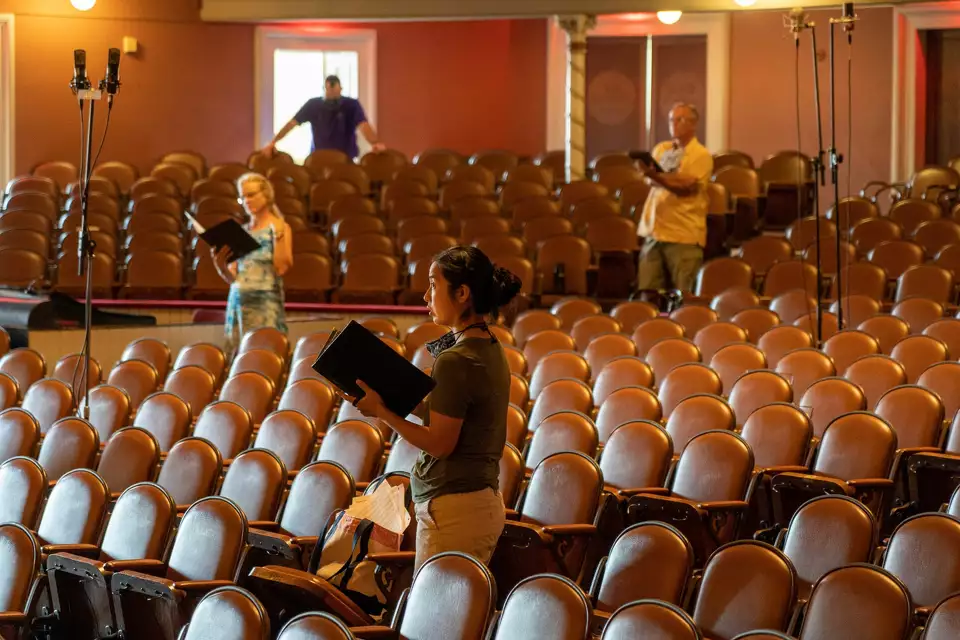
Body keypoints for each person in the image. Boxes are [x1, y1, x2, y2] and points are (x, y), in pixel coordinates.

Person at [344, 246, 522, 571]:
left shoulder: (456, 360)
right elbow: (448, 413)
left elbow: (441, 443)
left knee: (435, 618)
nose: (426, 296)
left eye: (433, 284)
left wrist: (382, 413)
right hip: (469, 504)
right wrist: (386, 396)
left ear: (463, 293)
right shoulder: (487, 345)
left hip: (457, 511)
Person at [635, 102, 714, 293]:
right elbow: (655, 182)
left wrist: (656, 176)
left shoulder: (701, 155)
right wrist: (664, 178)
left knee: (684, 295)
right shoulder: (661, 149)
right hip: (654, 231)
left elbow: (686, 187)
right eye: (671, 119)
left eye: (680, 119)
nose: (674, 124)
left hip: (683, 233)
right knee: (648, 292)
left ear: (694, 124)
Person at [212, 172, 293, 352]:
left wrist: (278, 237)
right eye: (242, 197)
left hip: (265, 304)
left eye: (251, 195)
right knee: (237, 357)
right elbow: (233, 278)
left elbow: (281, 268)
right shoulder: (239, 232)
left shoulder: (280, 227)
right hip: (238, 303)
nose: (246, 201)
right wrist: (221, 266)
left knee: (265, 354)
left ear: (266, 195)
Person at [262, 74, 385, 160]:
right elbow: (292, 123)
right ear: (324, 89)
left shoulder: (351, 105)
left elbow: (363, 125)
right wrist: (274, 142)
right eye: (329, 92)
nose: (331, 95)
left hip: (345, 159)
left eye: (335, 92)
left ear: (340, 89)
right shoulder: (313, 105)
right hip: (318, 157)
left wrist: (375, 143)